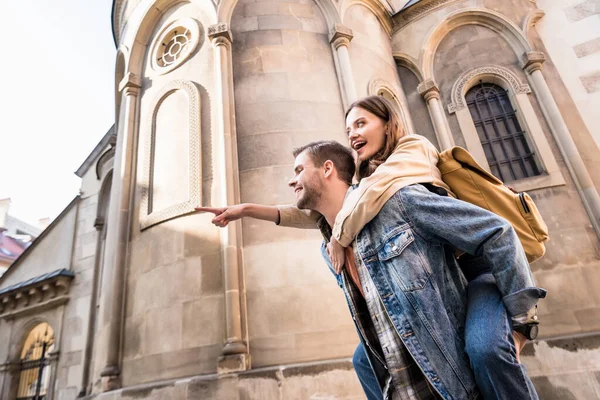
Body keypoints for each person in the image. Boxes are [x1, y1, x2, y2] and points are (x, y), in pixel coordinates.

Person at [198, 98, 545, 399]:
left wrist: (521, 321)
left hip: (479, 269)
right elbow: (323, 209)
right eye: (349, 128)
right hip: (430, 280)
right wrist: (246, 210)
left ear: (388, 123)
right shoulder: (363, 191)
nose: (352, 134)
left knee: (486, 350)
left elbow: (494, 231)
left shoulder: (408, 161)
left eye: (361, 123)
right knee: (364, 360)